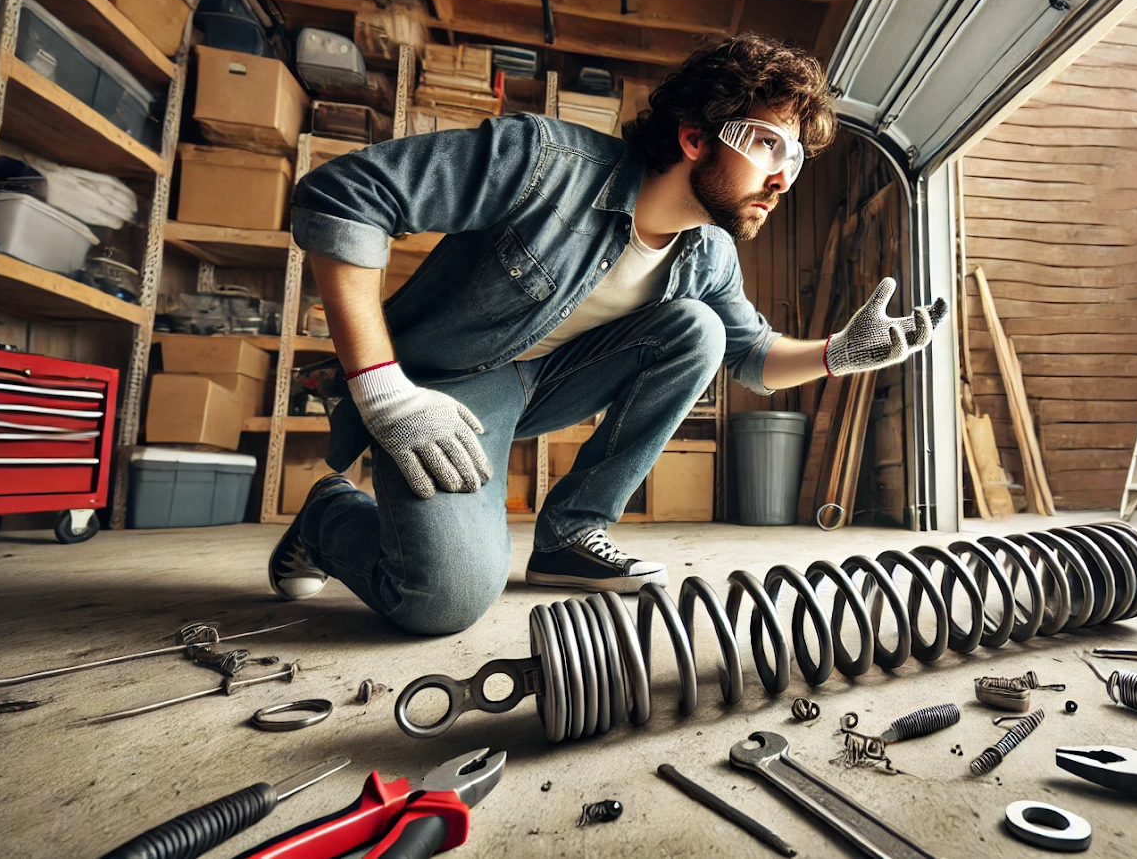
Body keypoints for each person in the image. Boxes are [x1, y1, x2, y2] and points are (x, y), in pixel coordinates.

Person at [267, 34, 946, 635]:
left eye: (795, 161)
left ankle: (569, 536)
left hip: (548, 384)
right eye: (768, 144)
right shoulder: (543, 161)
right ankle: (330, 517)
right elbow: (344, 195)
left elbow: (751, 356)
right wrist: (383, 389)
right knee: (441, 601)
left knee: (698, 329)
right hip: (443, 392)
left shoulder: (708, 253)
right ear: (694, 137)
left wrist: (839, 355)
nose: (781, 178)